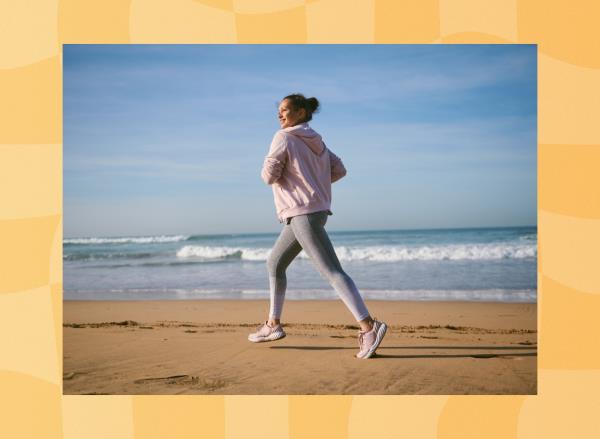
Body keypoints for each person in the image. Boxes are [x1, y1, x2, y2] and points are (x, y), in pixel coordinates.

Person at [247, 93, 387, 359]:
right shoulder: (318, 141)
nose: (280, 115)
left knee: (332, 272)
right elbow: (339, 170)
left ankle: (369, 327)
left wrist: (296, 183)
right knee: (275, 263)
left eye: (285, 110)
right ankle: (273, 324)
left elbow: (268, 176)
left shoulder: (283, 137)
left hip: (303, 215)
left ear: (301, 112)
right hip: (311, 213)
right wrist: (314, 186)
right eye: (278, 111)